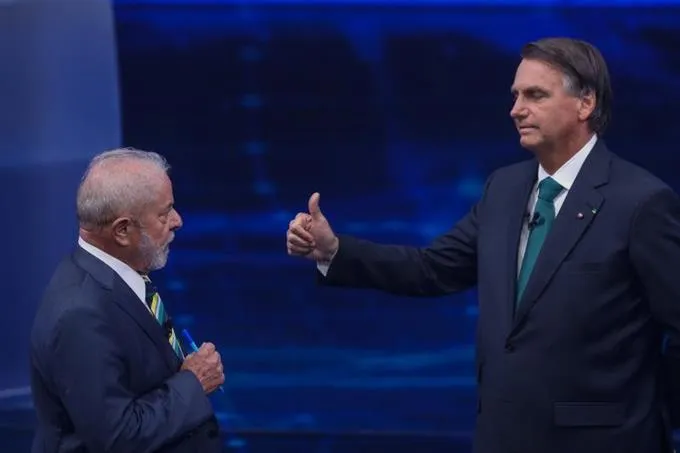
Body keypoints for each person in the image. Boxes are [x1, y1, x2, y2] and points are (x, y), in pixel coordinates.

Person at [286, 37, 680, 453]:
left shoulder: (640, 202)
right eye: (515, 95)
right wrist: (333, 251)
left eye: (535, 95)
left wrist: (652, 414)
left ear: (585, 103)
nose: (516, 109)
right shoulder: (504, 189)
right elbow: (431, 269)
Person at [30, 148, 225, 453]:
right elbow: (119, 437)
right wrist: (194, 382)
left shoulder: (119, 277)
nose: (178, 221)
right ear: (122, 231)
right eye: (164, 213)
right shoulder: (81, 315)